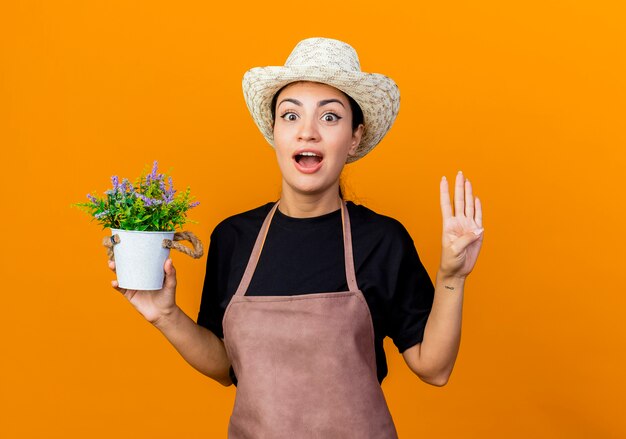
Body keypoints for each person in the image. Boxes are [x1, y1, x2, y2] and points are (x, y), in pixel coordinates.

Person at [107, 37, 484, 438]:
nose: (307, 133)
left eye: (330, 117)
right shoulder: (234, 238)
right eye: (290, 116)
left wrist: (453, 277)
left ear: (354, 137)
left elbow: (435, 368)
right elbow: (225, 366)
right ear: (274, 131)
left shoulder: (382, 240)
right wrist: (165, 315)